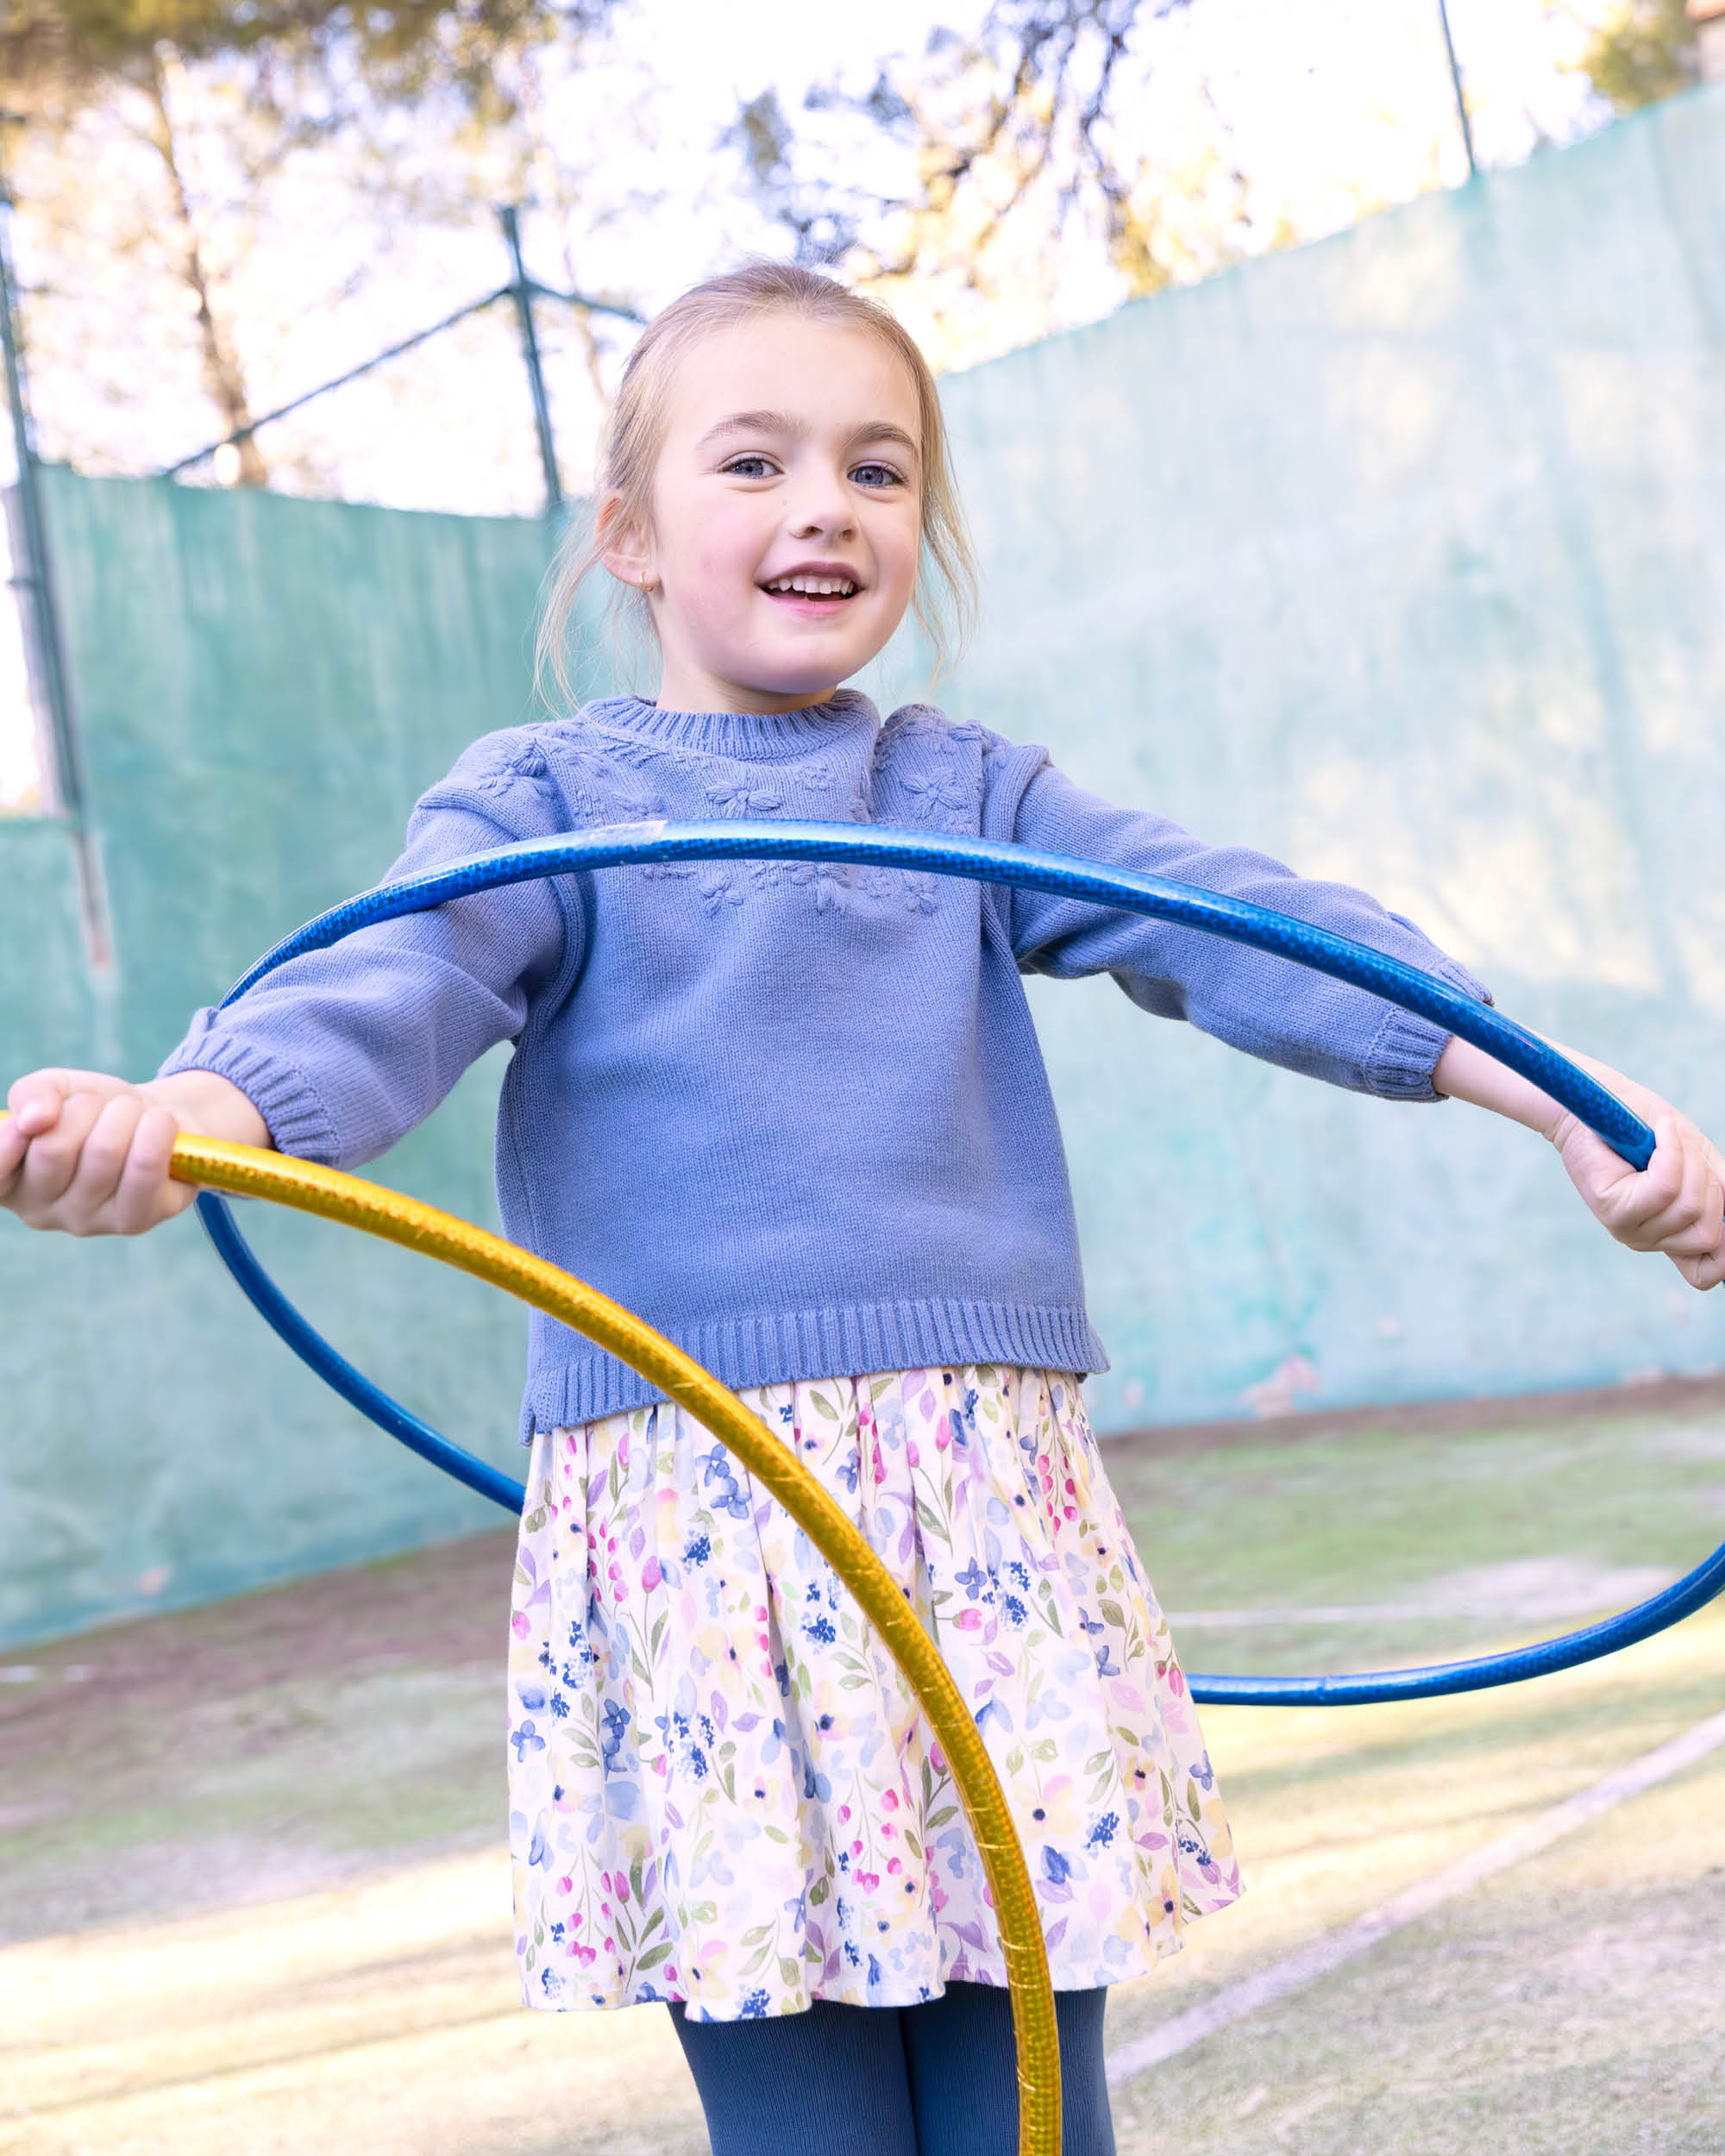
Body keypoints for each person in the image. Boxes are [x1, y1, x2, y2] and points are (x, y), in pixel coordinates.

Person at [3, 262, 1722, 2156]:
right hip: (697, 1529)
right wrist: (191, 1111)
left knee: (1028, 2111)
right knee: (808, 2124)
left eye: (878, 468)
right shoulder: (546, 800)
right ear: (634, 539)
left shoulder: (963, 794)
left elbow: (1239, 924)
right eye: (755, 460)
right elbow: (382, 985)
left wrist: (1553, 1087)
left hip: (980, 1511)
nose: (824, 502)